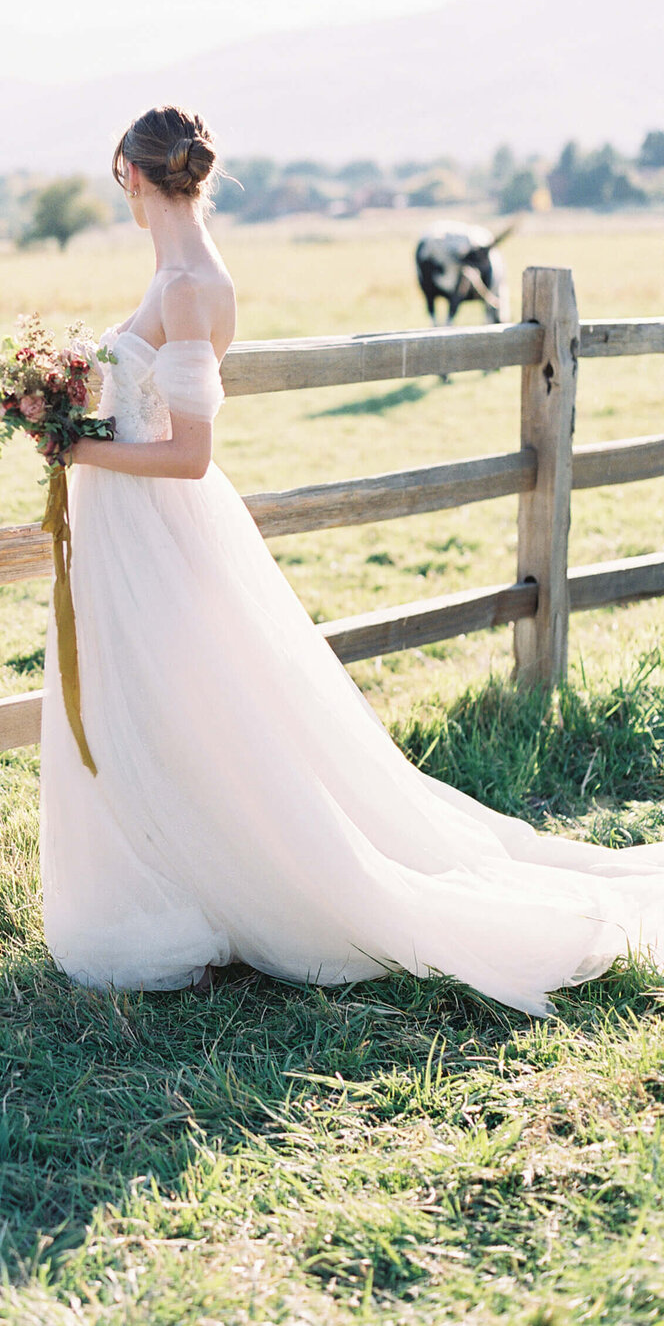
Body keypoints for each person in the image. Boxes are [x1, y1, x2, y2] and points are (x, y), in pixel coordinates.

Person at [39, 103, 664, 1019]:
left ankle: (220, 885)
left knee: (182, 705)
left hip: (159, 521)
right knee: (167, 707)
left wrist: (73, 447)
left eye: (118, 178)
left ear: (134, 176)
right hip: (141, 526)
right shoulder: (188, 273)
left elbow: (191, 452)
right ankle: (178, 871)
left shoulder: (186, 286)